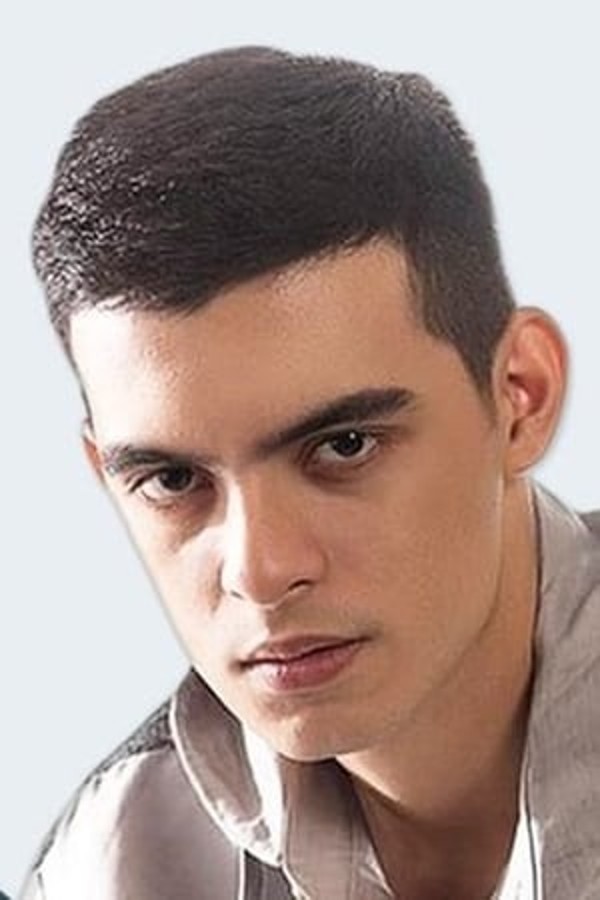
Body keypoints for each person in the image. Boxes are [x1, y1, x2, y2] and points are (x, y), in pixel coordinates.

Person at [20, 46, 600, 900]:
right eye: (174, 481)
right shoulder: (119, 861)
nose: (260, 572)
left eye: (345, 445)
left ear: (520, 396)